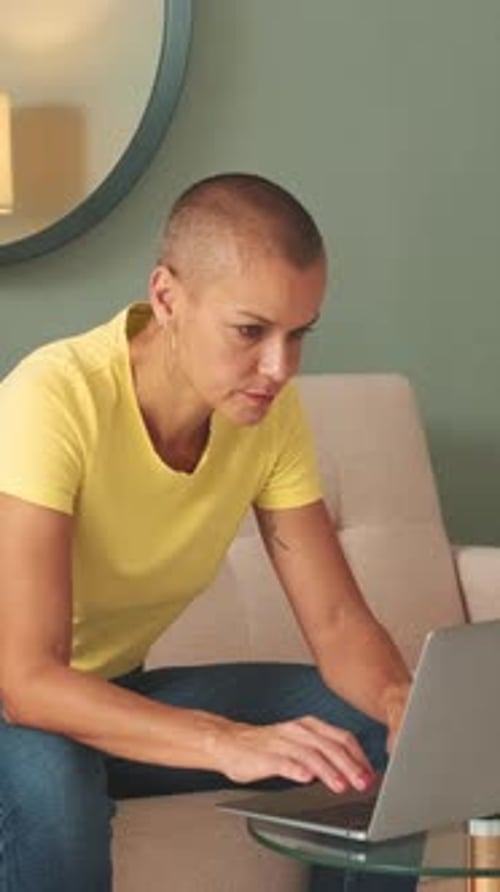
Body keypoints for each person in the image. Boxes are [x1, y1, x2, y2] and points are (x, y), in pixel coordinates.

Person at [0, 173, 415, 892]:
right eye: (251, 331)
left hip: (112, 693)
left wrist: (400, 703)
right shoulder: (54, 398)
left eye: (298, 335)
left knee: (369, 736)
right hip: (17, 707)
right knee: (56, 788)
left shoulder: (266, 414)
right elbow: (28, 683)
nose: (279, 368)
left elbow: (341, 623)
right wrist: (229, 742)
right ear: (167, 298)